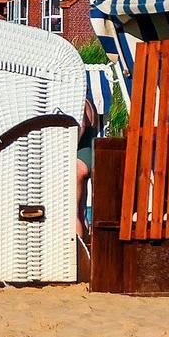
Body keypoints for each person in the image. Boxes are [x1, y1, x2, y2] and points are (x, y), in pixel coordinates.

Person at [74, 98, 98, 245]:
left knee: (73, 211)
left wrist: (70, 145)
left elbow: (81, 124)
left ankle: (78, 252)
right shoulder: (90, 103)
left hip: (79, 158)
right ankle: (87, 247)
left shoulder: (77, 100)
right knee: (82, 212)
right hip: (89, 154)